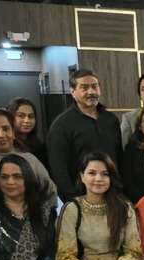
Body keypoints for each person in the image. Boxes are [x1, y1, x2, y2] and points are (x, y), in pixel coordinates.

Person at [47, 68, 123, 201]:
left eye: (95, 86)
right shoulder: (61, 125)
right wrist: (72, 201)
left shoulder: (111, 120)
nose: (91, 92)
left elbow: (119, 157)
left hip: (113, 195)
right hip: (80, 197)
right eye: (84, 87)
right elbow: (58, 169)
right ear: (73, 92)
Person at [0, 108, 57, 205]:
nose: (1, 135)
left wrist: (44, 213)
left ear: (13, 132)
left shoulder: (30, 160)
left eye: (6, 129)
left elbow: (50, 192)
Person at [7, 97, 47, 167]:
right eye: (21, 116)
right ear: (10, 118)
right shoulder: (7, 145)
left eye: (31, 116)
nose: (27, 120)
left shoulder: (38, 145)